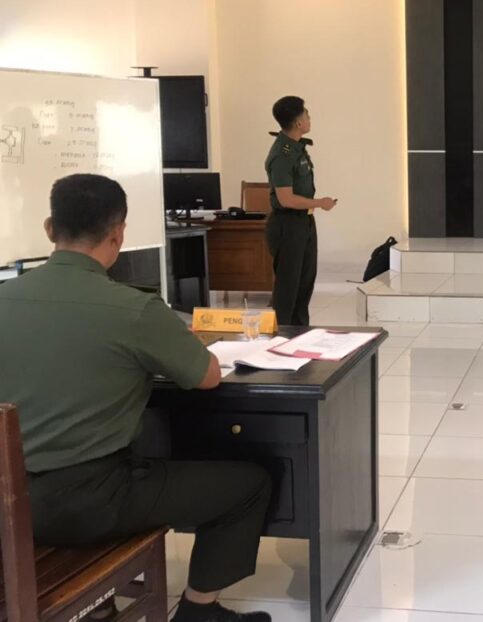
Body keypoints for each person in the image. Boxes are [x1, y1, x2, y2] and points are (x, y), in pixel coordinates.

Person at [0, 174, 274, 622]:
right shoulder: (134, 309)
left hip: (10, 505)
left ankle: (102, 605)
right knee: (248, 485)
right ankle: (198, 613)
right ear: (118, 234)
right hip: (90, 503)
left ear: (50, 229)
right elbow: (207, 376)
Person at [264, 96, 336, 326]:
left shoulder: (297, 148)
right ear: (298, 122)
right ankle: (281, 336)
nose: (309, 118)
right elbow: (285, 199)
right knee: (288, 289)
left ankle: (300, 333)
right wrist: (319, 202)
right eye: (306, 114)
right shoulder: (282, 155)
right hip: (288, 225)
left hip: (303, 223)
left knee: (304, 285)